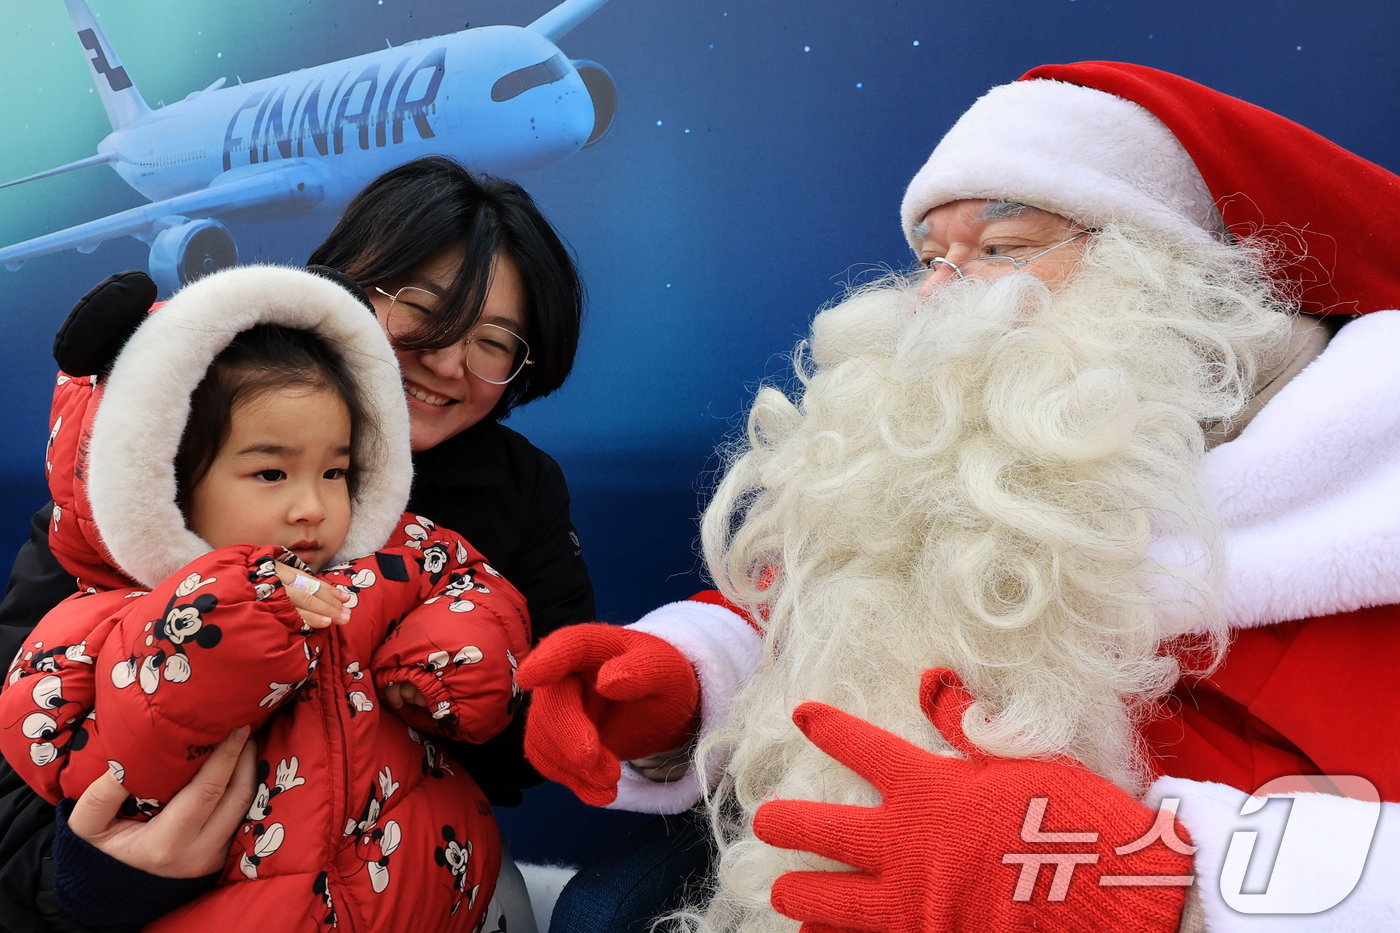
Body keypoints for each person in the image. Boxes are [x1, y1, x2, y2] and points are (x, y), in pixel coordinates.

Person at [520, 62, 1400, 932]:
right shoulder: (969, 436)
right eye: (930, 258)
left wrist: (1138, 882)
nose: (940, 291)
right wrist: (690, 685)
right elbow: (850, 618)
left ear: (1159, 269)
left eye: (1001, 247)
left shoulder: (1355, 504)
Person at [0, 157, 593, 933]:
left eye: (494, 342)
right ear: (347, 289)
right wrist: (95, 878)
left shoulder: (512, 493)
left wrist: (455, 683)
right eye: (423, 308)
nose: (451, 361)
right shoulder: (142, 482)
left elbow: (549, 716)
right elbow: (22, 753)